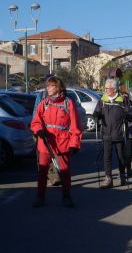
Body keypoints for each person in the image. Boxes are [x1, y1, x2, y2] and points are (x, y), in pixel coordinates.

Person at [30, 76, 82, 208]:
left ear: (58, 87)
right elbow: (35, 121)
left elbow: (76, 126)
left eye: (50, 86)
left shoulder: (68, 103)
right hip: (45, 141)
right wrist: (39, 130)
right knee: (42, 171)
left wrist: (74, 144)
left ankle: (66, 196)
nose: (47, 88)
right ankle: (40, 197)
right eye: (47, 86)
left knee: (64, 171)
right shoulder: (44, 103)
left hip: (62, 142)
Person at [93, 78, 132, 189]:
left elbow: (131, 114)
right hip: (106, 133)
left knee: (121, 157)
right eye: (105, 88)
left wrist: (128, 115)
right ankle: (108, 178)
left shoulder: (123, 100)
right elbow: (97, 112)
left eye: (107, 88)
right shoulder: (102, 100)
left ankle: (122, 175)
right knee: (107, 157)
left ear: (114, 89)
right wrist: (96, 116)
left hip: (119, 134)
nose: (105, 90)